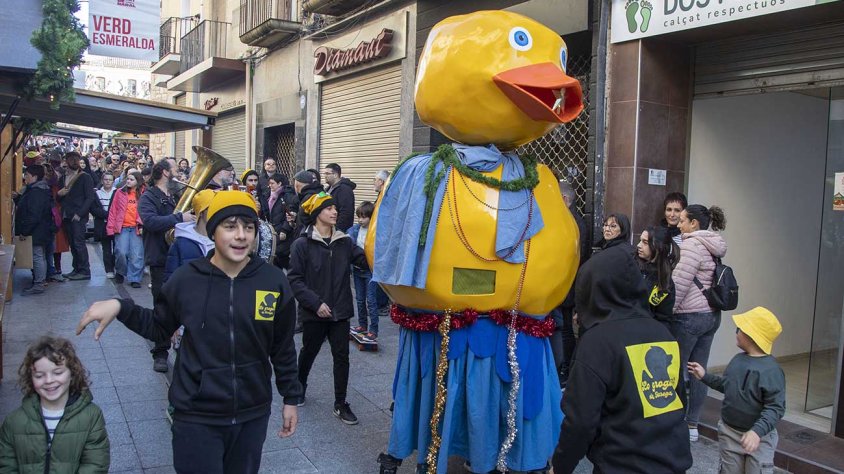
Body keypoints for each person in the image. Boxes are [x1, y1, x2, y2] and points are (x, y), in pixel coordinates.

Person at [76, 191, 301, 473]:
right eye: (230, 226)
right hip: (196, 414)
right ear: (213, 230)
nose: (241, 235)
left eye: (249, 227)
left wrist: (291, 397)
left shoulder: (272, 281)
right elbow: (159, 328)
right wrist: (121, 307)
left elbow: (282, 347)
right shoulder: (187, 278)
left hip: (251, 413)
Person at [552, 236, 692, 474]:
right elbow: (677, 399)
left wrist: (561, 466)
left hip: (621, 463)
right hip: (672, 460)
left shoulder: (597, 342)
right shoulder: (663, 334)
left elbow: (581, 421)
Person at [288, 192, 368, 424]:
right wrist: (315, 304)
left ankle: (340, 403)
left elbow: (365, 261)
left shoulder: (344, 242)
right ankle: (299, 385)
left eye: (335, 207)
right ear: (316, 214)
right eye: (328, 208)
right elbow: (295, 280)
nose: (334, 212)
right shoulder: (301, 244)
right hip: (315, 312)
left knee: (341, 357)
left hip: (340, 311)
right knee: (309, 351)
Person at [689, 307, 785, 474]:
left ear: (751, 335)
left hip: (759, 439)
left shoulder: (771, 371)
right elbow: (727, 386)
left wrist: (756, 432)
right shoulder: (737, 361)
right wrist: (704, 376)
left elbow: (775, 408)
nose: (736, 332)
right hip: (730, 433)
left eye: (739, 329)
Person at [0, 336, 109, 471]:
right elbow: (6, 466)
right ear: (30, 378)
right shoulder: (14, 422)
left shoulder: (91, 416)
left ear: (72, 373)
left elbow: (95, 465)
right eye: (39, 376)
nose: (49, 380)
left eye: (57, 372)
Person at [671, 204, 728, 442]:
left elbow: (680, 282)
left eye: (682, 220)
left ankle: (674, 422)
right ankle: (693, 424)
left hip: (689, 316)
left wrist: (669, 310)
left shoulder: (693, 244)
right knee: (699, 371)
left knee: (677, 371)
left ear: (694, 223)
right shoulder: (713, 244)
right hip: (711, 315)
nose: (678, 223)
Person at [139, 159, 195, 373]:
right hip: (161, 258)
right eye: (175, 170)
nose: (179, 173)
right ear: (164, 172)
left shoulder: (177, 195)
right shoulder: (148, 196)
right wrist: (180, 217)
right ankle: (160, 352)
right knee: (162, 307)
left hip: (180, 256)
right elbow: (151, 222)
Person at [549, 179, 589, 386]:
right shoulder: (569, 219)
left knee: (564, 330)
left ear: (564, 199)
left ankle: (566, 368)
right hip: (566, 284)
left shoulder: (573, 222)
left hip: (568, 285)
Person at [13, 165, 54, 295]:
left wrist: (25, 231)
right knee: (39, 255)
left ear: (35, 177)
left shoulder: (37, 191)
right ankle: (39, 281)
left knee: (37, 256)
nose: (25, 178)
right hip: (39, 229)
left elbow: (34, 215)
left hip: (37, 230)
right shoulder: (37, 189)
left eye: (27, 175)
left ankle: (39, 283)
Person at [57, 151, 96, 280]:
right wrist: (59, 194)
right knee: (73, 243)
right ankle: (77, 268)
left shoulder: (85, 177)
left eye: (76, 159)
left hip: (78, 216)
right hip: (66, 214)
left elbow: (90, 198)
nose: (74, 162)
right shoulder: (63, 178)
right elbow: (58, 197)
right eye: (71, 159)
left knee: (79, 243)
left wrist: (80, 214)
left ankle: (85, 270)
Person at [164, 189, 216, 283]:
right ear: (201, 212)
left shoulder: (223, 240)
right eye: (213, 208)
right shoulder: (181, 242)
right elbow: (170, 279)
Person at [107, 171, 145, 288]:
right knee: (121, 252)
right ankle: (120, 271)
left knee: (137, 254)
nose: (128, 181)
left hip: (136, 228)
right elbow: (113, 210)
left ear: (138, 182)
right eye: (128, 179)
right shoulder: (120, 192)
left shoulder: (144, 194)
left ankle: (135, 278)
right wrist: (110, 228)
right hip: (122, 227)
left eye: (131, 179)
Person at [636, 226, 680, 324]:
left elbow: (663, 318)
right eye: (640, 241)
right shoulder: (631, 265)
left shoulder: (664, 281)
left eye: (645, 242)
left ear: (658, 247)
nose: (638, 245)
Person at [348, 201, 379, 341]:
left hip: (370, 271)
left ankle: (373, 330)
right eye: (359, 217)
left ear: (371, 217)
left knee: (371, 300)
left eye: (364, 217)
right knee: (359, 300)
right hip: (357, 269)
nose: (360, 220)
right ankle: (362, 325)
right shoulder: (354, 230)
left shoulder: (376, 231)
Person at [263, 173, 298, 269]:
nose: (270, 186)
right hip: (272, 231)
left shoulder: (287, 196)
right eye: (269, 183)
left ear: (279, 184)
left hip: (283, 232)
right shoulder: (268, 195)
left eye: (272, 183)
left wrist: (284, 230)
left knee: (283, 258)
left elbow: (290, 214)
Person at [323, 163, 356, 233]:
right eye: (324, 174)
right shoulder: (327, 189)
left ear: (335, 175)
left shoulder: (345, 190)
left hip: (338, 232)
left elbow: (346, 213)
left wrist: (336, 230)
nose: (325, 176)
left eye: (327, 174)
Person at [95, 172, 117, 279]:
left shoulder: (117, 192)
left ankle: (118, 267)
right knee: (106, 248)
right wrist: (108, 215)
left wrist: (112, 217)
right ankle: (109, 269)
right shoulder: (97, 193)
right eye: (106, 179)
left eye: (110, 179)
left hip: (116, 224)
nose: (108, 181)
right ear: (102, 181)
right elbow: (94, 209)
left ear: (113, 181)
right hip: (103, 224)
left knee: (118, 248)